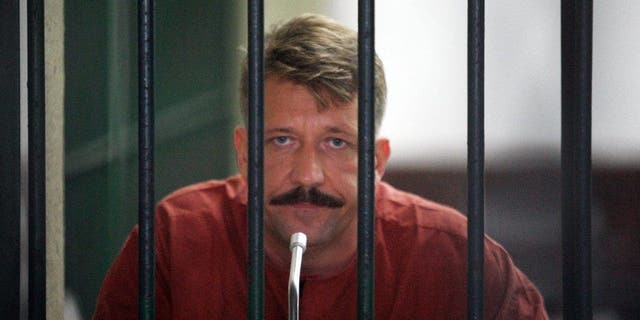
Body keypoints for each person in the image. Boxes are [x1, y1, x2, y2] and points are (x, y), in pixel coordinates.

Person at [93, 14, 548, 319]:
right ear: (244, 154)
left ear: (376, 161)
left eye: (336, 142)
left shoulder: (456, 262)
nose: (308, 175)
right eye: (282, 140)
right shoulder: (173, 243)